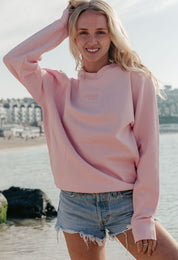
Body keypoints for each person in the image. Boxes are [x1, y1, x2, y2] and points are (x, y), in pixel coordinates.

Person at [3, 0, 178, 259]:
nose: (91, 40)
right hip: (76, 205)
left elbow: (148, 152)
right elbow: (15, 58)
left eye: (100, 32)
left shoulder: (135, 80)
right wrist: (65, 22)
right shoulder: (55, 88)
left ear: (112, 36)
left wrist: (144, 218)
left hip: (126, 203)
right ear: (72, 38)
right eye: (82, 32)